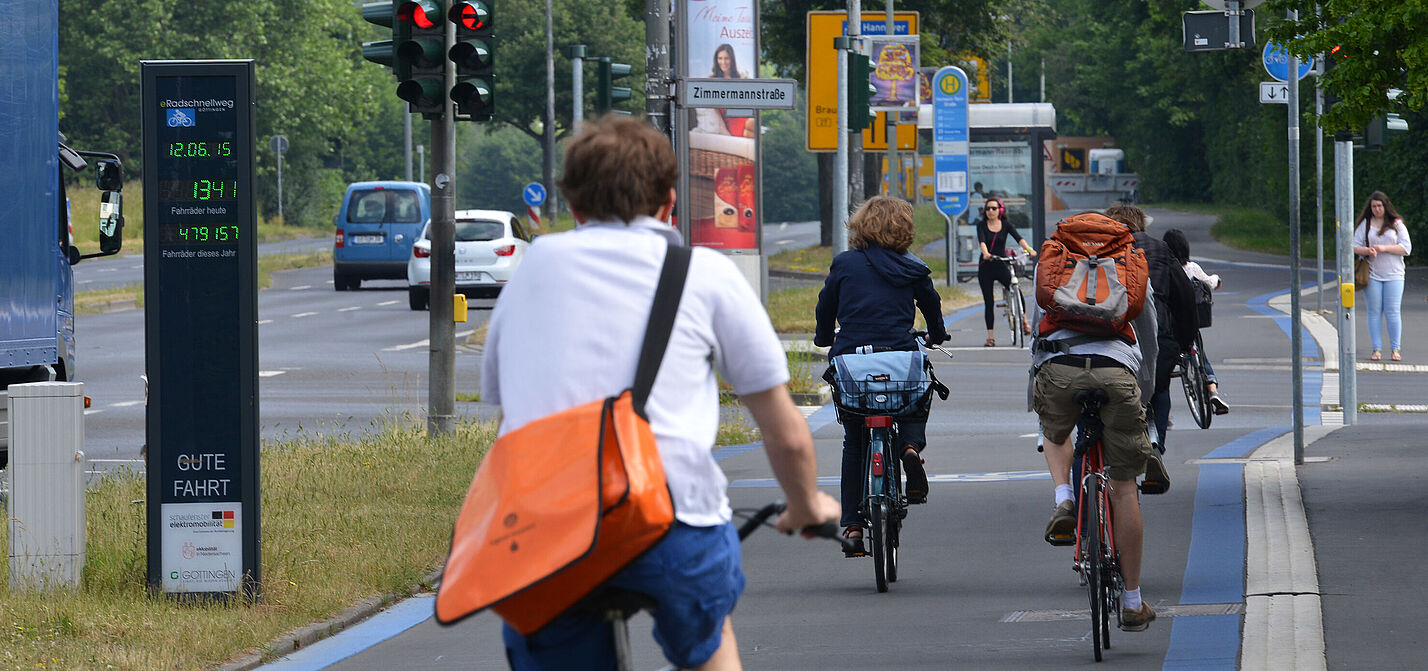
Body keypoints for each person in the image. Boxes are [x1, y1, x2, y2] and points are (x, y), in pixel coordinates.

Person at [482, 115, 840, 671]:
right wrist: (806, 503)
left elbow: (512, 416)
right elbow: (784, 430)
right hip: (675, 521)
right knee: (708, 643)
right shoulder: (706, 274)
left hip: (549, 534)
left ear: (574, 208)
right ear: (671, 202)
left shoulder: (529, 272)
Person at [1031, 211, 1160, 632]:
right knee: (1124, 488)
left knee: (1053, 432)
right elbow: (1149, 333)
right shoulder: (1128, 257)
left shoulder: (1057, 253)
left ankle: (1065, 497)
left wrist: (1039, 392)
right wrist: (1147, 391)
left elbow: (1038, 327)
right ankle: (1133, 601)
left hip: (1059, 367)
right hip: (1116, 370)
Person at [814, 196, 948, 555]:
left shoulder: (844, 264)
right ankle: (909, 446)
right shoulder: (913, 267)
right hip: (899, 359)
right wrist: (935, 333)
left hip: (853, 362)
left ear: (860, 225)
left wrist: (824, 337)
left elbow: (825, 306)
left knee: (855, 441)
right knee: (915, 399)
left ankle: (854, 528)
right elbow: (931, 305)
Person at [1105, 203, 1194, 478]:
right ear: (1141, 224)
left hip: (1108, 339)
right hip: (1159, 335)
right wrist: (1183, 342)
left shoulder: (1098, 247)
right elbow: (1185, 298)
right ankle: (1155, 444)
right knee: (1159, 389)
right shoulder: (1159, 248)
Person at [1161, 228, 1230, 414]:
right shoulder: (1192, 268)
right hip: (1190, 322)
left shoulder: (1163, 269)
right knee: (1198, 349)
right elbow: (1209, 283)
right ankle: (1212, 389)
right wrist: (1217, 279)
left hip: (1168, 326)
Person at [1353, 191, 1412, 362]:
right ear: (1370, 208)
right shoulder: (1365, 224)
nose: (1377, 209)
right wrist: (1367, 250)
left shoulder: (1396, 224)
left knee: (1393, 311)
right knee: (1374, 312)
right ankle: (1376, 349)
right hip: (1372, 274)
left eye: (1380, 206)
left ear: (1386, 206)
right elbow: (1354, 245)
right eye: (1374, 206)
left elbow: (1406, 248)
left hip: (1394, 274)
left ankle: (1395, 349)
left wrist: (1384, 248)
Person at [977, 197, 1037, 346]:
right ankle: (990, 337)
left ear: (1000, 210)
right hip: (987, 265)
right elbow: (982, 241)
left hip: (1002, 263)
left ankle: (1024, 321)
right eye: (988, 208)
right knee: (989, 302)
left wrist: (1029, 249)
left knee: (1015, 287)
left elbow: (1019, 238)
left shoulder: (1006, 225)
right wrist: (986, 253)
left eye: (994, 208)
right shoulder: (981, 225)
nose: (990, 211)